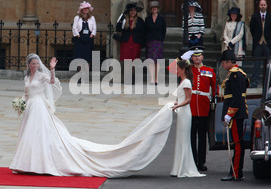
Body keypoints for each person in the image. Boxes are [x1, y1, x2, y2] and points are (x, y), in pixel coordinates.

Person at [10, 54, 185, 178]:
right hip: (31, 107)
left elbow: (52, 82)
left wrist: (52, 70)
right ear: (28, 65)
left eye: (35, 64)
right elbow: (26, 93)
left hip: (40, 107)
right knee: (29, 134)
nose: (34, 66)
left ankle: (41, 162)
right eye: (32, 64)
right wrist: (21, 103)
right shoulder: (27, 78)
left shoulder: (41, 75)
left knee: (41, 133)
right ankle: (25, 162)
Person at [182, 46, 217, 171]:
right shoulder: (188, 69)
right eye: (194, 56)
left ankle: (201, 162)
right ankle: (192, 160)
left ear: (202, 56)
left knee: (202, 136)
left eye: (199, 55)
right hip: (190, 107)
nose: (197, 58)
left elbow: (215, 88)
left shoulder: (209, 70)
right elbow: (174, 68)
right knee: (191, 136)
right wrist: (183, 58)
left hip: (203, 106)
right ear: (192, 57)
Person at [170, 60, 206, 178]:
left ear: (183, 69)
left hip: (185, 113)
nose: (176, 71)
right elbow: (182, 98)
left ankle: (184, 167)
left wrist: (177, 105)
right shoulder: (183, 81)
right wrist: (176, 103)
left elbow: (188, 100)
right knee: (180, 139)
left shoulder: (186, 82)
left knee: (184, 139)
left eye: (178, 69)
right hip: (182, 113)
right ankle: (178, 167)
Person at [220, 50, 250, 181]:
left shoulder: (235, 75)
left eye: (223, 63)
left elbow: (237, 98)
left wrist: (229, 114)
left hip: (236, 114)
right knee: (238, 143)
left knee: (237, 144)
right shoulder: (237, 74)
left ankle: (236, 172)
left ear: (228, 62)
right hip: (237, 113)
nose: (223, 66)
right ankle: (236, 171)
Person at [249, 0, 271, 88]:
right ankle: (254, 82)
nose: (263, 6)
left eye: (264, 5)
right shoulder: (255, 16)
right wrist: (257, 38)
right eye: (261, 5)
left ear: (267, 6)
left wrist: (268, 37)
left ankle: (268, 82)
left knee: (268, 64)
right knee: (256, 64)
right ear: (259, 6)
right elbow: (252, 29)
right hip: (258, 44)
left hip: (267, 43)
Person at [144, 1, 167, 85]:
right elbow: (145, 30)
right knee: (150, 60)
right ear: (150, 9)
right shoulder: (147, 19)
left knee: (157, 61)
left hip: (158, 41)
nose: (154, 9)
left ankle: (156, 79)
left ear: (158, 9)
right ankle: (152, 78)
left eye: (156, 8)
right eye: (153, 8)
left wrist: (161, 39)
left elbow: (164, 31)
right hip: (149, 41)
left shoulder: (162, 19)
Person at [72, 1, 96, 66]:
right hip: (80, 38)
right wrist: (78, 35)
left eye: (87, 9)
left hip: (88, 38)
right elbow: (74, 27)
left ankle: (86, 72)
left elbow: (94, 28)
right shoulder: (77, 18)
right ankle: (80, 72)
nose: (85, 10)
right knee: (79, 56)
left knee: (87, 56)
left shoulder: (92, 18)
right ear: (82, 10)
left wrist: (91, 35)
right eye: (84, 9)